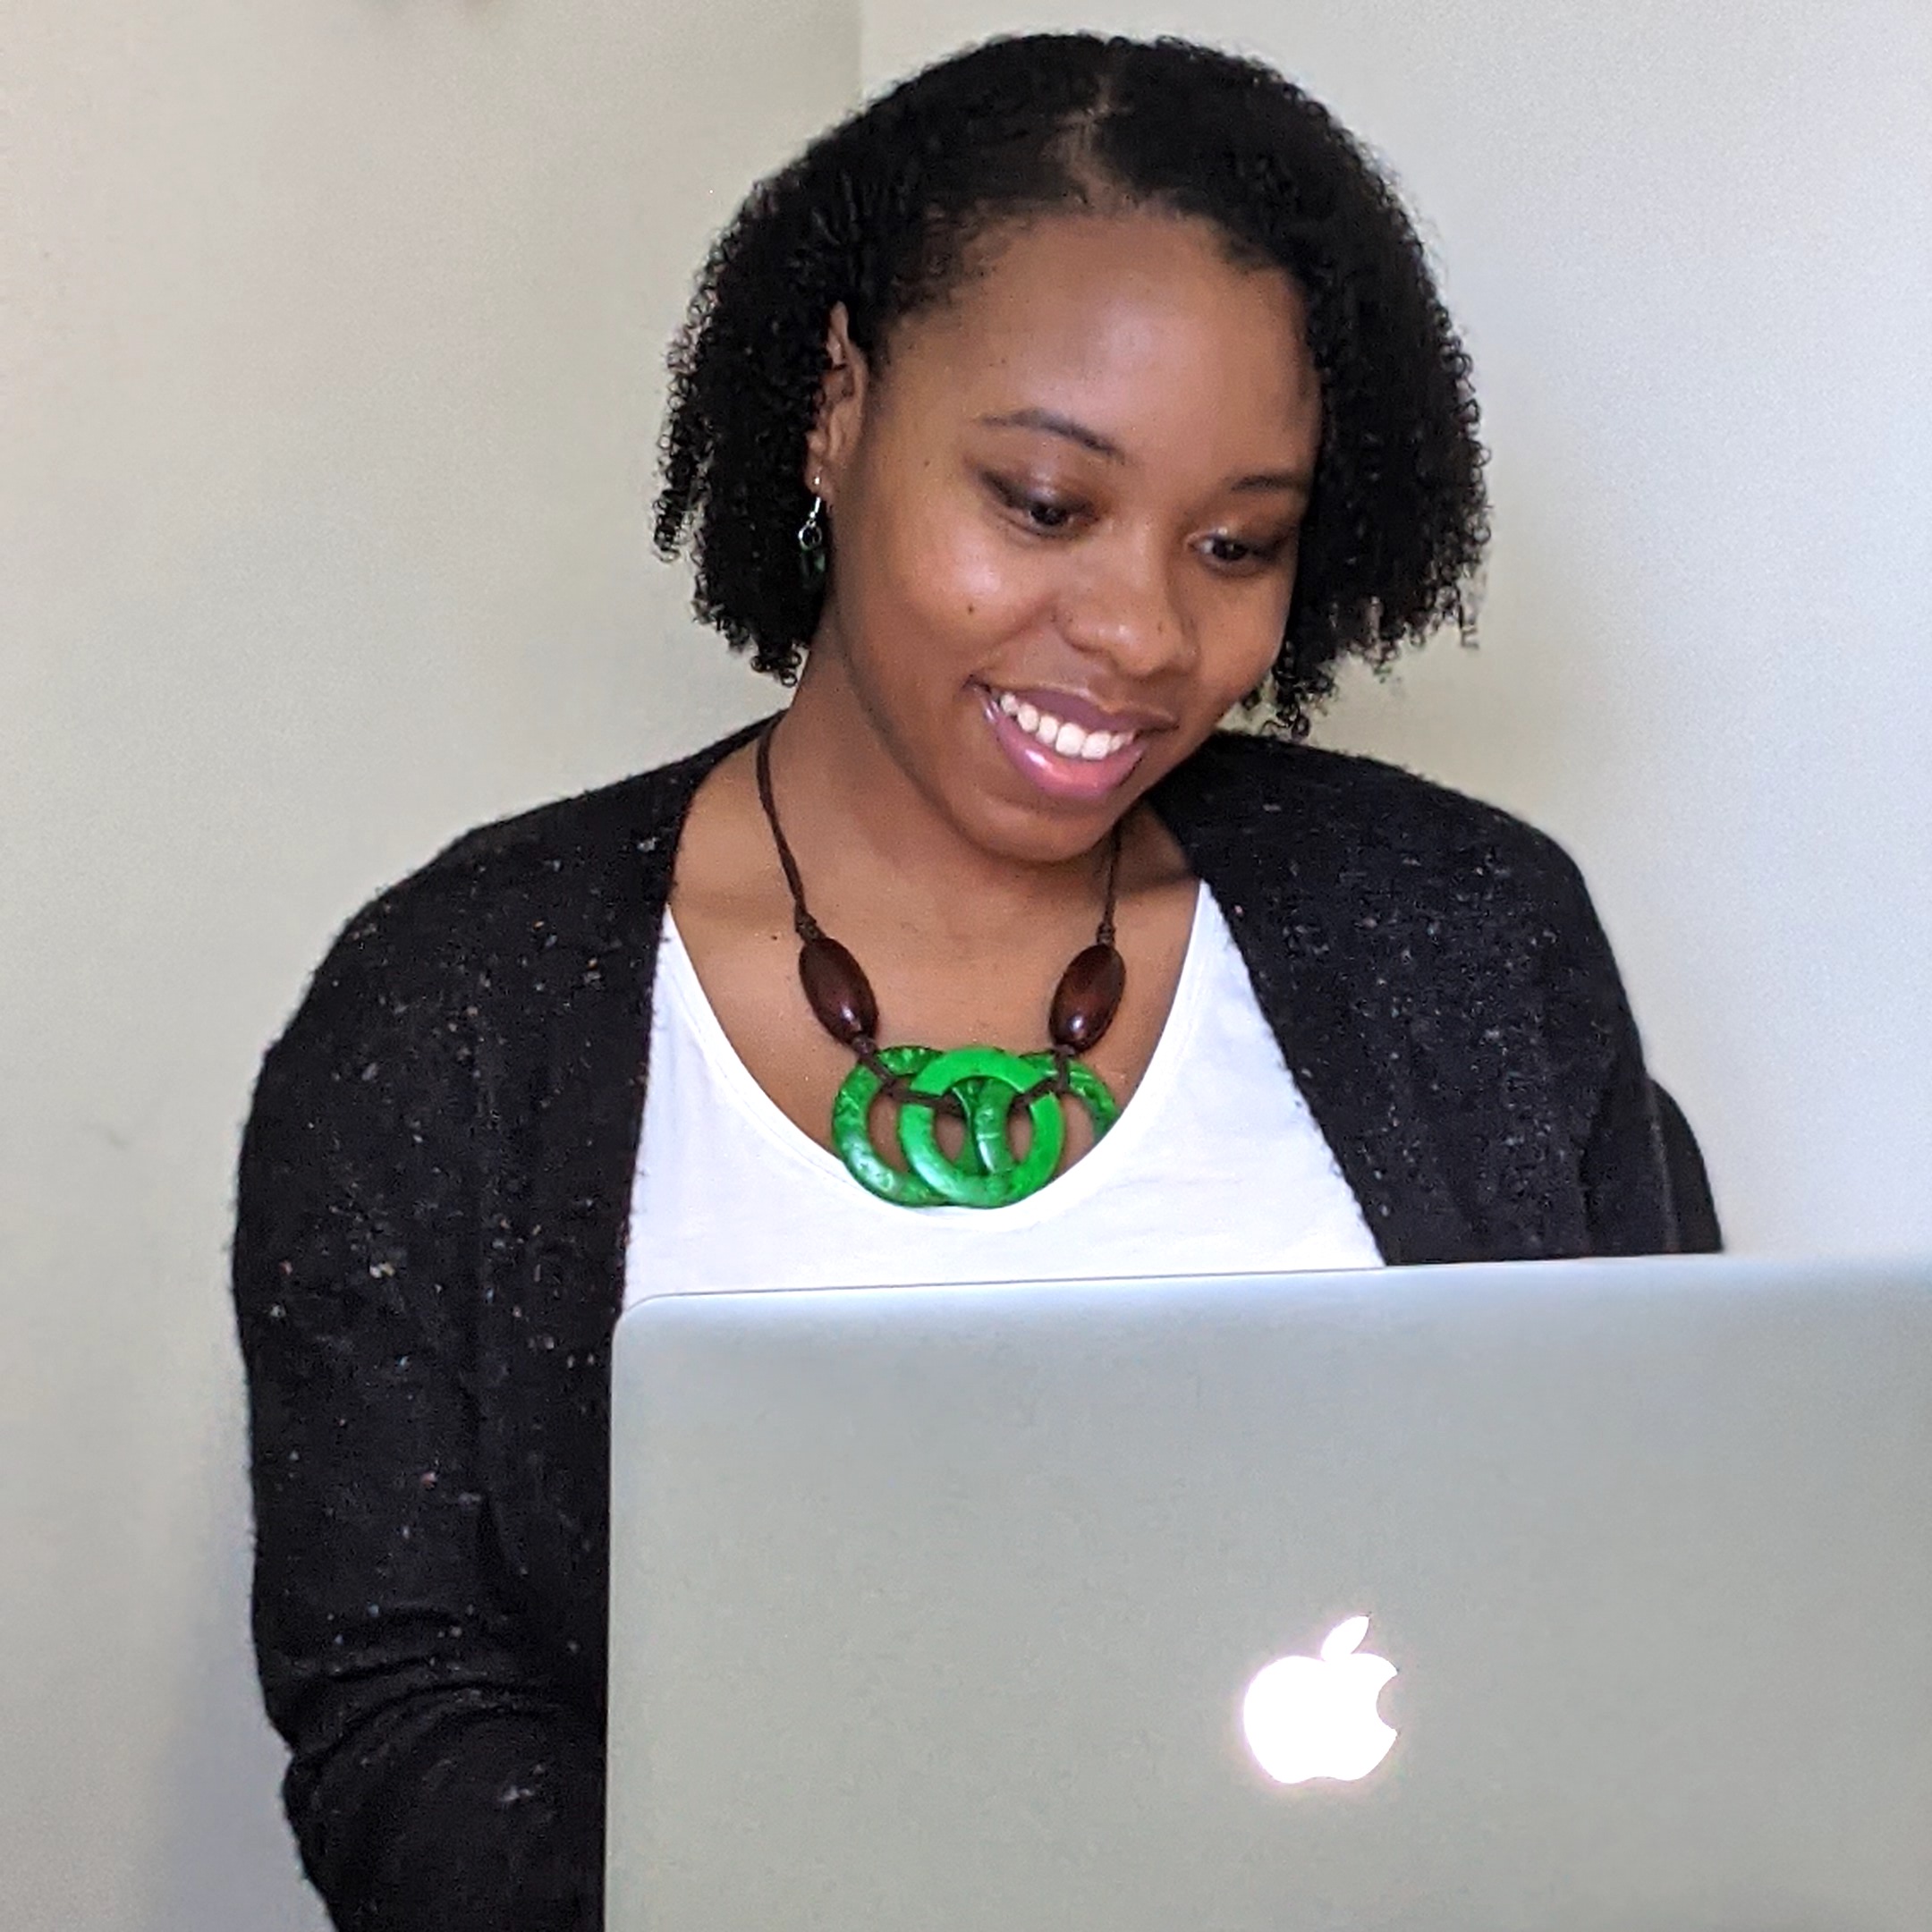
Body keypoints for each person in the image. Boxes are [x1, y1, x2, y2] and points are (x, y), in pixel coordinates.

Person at [231, 30, 1720, 1932]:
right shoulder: (455, 1010)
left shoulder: (1472, 940)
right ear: (837, 402)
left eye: (1237, 542)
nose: (1143, 632)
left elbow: (1656, 1564)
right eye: (1041, 501)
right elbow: (404, 1714)